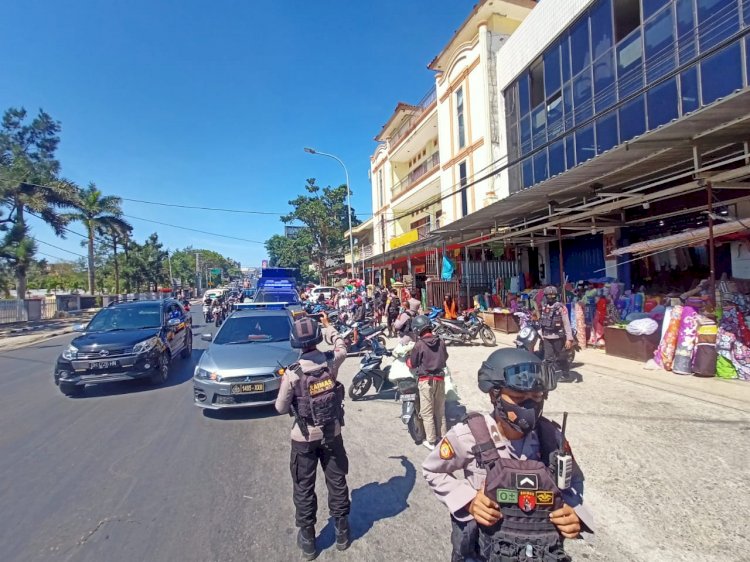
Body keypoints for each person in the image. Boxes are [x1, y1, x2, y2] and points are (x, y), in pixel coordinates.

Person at [422, 347, 593, 561]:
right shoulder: (469, 435)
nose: (529, 406)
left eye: (537, 396)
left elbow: (574, 481)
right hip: (484, 551)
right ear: (495, 395)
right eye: (518, 398)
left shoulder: (551, 437)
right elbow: (432, 470)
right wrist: (468, 501)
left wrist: (574, 513)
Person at [275, 314, 351, 559]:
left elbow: (280, 408)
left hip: (304, 438)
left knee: (304, 487)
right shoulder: (331, 361)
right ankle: (342, 533)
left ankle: (308, 540)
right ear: (318, 337)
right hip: (332, 433)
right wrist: (329, 327)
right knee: (337, 481)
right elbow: (341, 344)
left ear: (294, 341)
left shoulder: (293, 373)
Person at [409, 315, 448, 450]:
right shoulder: (441, 341)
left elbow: (412, 363)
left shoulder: (419, 345)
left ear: (417, 329)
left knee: (427, 412)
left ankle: (431, 441)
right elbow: (445, 357)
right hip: (440, 379)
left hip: (426, 381)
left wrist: (409, 361)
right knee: (440, 410)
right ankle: (443, 437)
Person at [539, 286, 575, 383]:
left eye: (553, 295)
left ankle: (566, 375)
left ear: (556, 296)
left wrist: (569, 338)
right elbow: (542, 320)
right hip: (547, 336)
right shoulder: (544, 306)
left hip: (559, 337)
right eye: (549, 295)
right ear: (545, 296)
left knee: (561, 358)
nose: (551, 297)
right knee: (548, 359)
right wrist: (541, 334)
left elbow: (566, 323)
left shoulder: (561, 307)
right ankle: (549, 377)